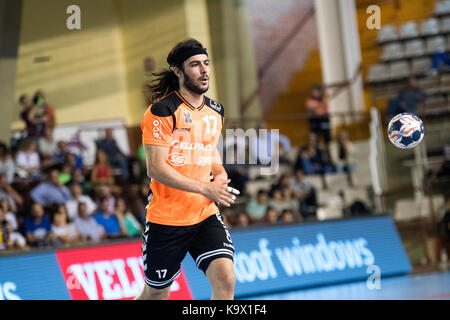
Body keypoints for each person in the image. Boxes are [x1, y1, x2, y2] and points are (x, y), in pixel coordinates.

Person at [135, 39, 239, 301]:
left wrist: (220, 172)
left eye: (206, 63)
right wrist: (206, 187)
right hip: (167, 219)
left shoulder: (215, 111)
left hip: (204, 213)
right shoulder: (161, 111)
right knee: (157, 293)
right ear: (178, 72)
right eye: (195, 65)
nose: (204, 70)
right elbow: (156, 169)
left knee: (226, 278)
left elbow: (208, 147)